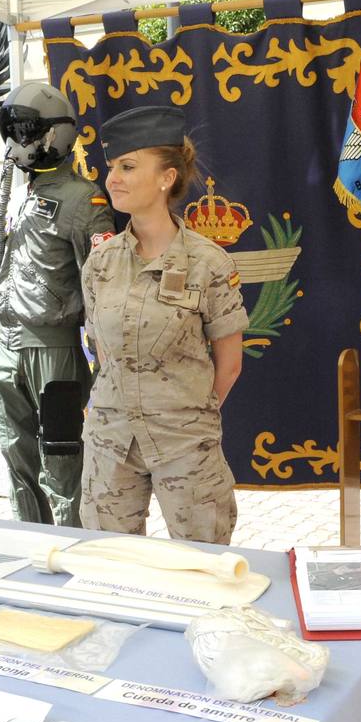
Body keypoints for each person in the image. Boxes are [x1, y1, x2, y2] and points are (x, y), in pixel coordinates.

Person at [80, 106, 247, 543]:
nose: (112, 177)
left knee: (200, 569)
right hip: (110, 446)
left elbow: (229, 364)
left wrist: (186, 414)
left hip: (185, 447)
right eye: (112, 167)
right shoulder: (100, 263)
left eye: (128, 166)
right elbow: (99, 351)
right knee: (110, 567)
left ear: (166, 178)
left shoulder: (208, 262)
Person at [0, 83, 113, 528]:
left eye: (26, 131)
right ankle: (29, 544)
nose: (18, 142)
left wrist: (107, 362)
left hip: (54, 350)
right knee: (16, 459)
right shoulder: (19, 195)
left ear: (55, 134)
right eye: (12, 132)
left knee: (62, 463)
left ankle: (74, 554)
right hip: (7, 346)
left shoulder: (84, 200)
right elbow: (3, 273)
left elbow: (101, 286)